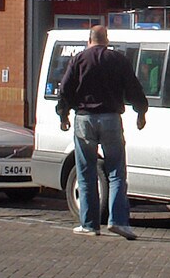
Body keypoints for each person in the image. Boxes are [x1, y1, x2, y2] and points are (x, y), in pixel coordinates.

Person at [54, 26, 148, 239]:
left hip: (84, 119)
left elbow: (65, 89)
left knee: (86, 172)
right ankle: (118, 222)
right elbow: (134, 88)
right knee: (116, 172)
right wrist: (141, 112)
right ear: (107, 40)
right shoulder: (118, 60)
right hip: (111, 118)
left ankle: (89, 224)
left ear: (89, 40)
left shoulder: (78, 59)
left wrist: (63, 115)